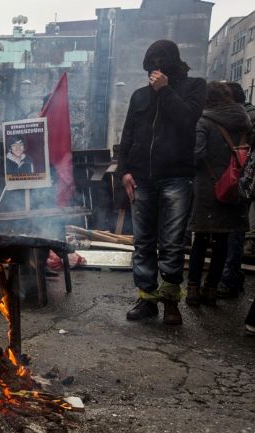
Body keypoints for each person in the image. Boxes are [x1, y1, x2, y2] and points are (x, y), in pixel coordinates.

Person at [118, 40, 206, 325]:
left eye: (161, 61)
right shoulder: (139, 96)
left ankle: (170, 301)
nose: (155, 67)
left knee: (171, 243)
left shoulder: (194, 87)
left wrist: (165, 90)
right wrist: (124, 170)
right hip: (141, 177)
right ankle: (146, 299)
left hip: (177, 178)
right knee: (143, 242)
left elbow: (187, 120)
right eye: (151, 63)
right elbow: (128, 133)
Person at [185, 81, 251, 307]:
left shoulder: (204, 121)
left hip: (208, 188)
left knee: (201, 240)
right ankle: (211, 290)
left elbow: (197, 154)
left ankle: (193, 290)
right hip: (235, 188)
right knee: (222, 241)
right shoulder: (245, 121)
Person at [216, 82, 255, 299]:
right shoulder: (246, 114)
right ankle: (233, 276)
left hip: (238, 180)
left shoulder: (243, 117)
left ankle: (229, 278)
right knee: (235, 229)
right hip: (241, 179)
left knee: (233, 230)